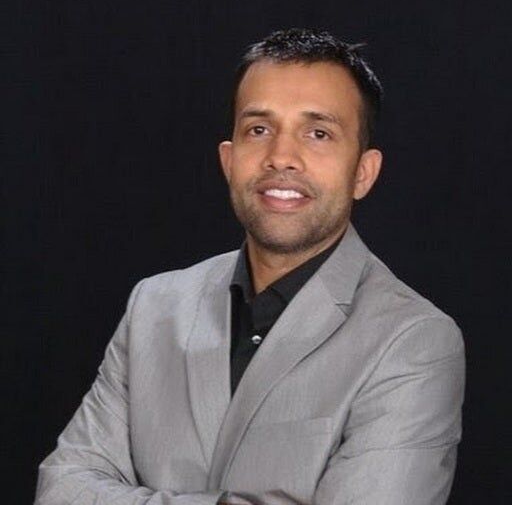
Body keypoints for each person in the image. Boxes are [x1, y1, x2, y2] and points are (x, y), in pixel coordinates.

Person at [35, 28, 465, 505]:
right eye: (259, 130)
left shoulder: (412, 341)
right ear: (228, 159)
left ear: (363, 173)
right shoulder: (153, 307)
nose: (281, 157)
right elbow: (61, 489)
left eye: (318, 133)